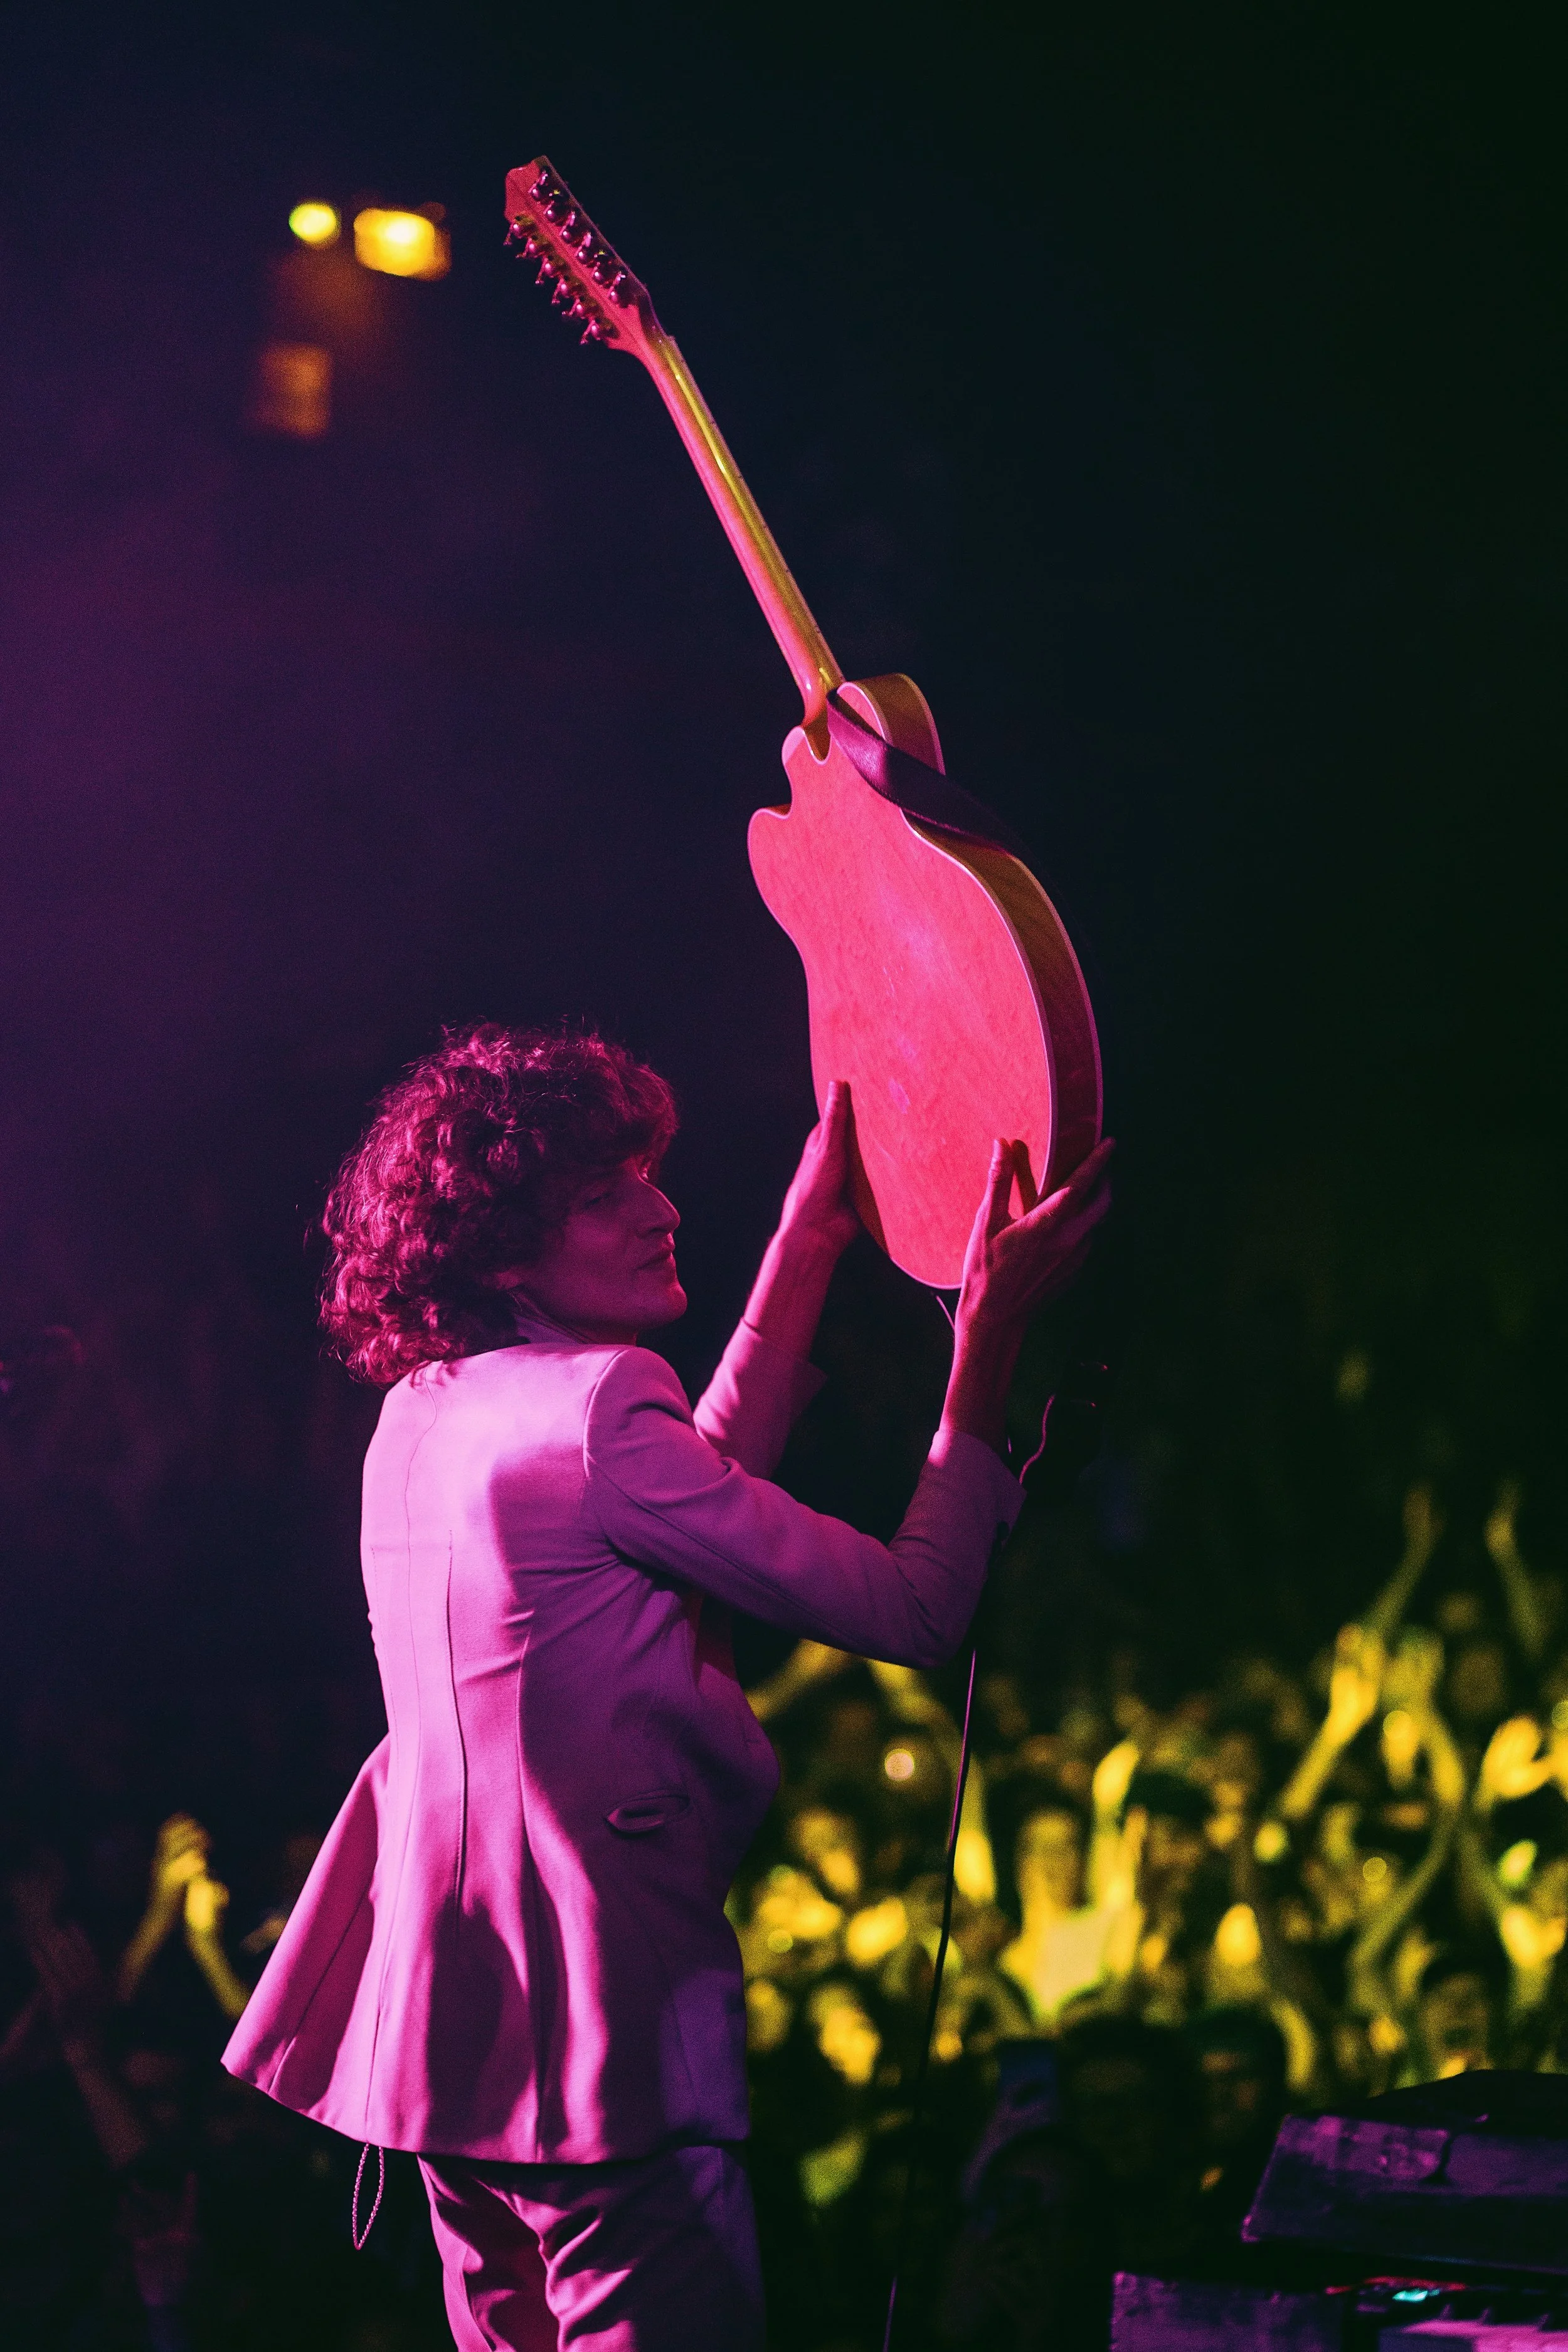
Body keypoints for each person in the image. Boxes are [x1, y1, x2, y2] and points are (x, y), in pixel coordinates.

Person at [221, 1022, 1113, 2351]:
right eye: (605, 1194)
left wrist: (806, 1247)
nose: (660, 1208)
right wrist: (985, 1341)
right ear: (504, 1250)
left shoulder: (428, 1409)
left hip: (453, 2057)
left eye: (646, 1172)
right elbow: (918, 1609)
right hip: (606, 2058)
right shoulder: (591, 1420)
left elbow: (666, 1495)